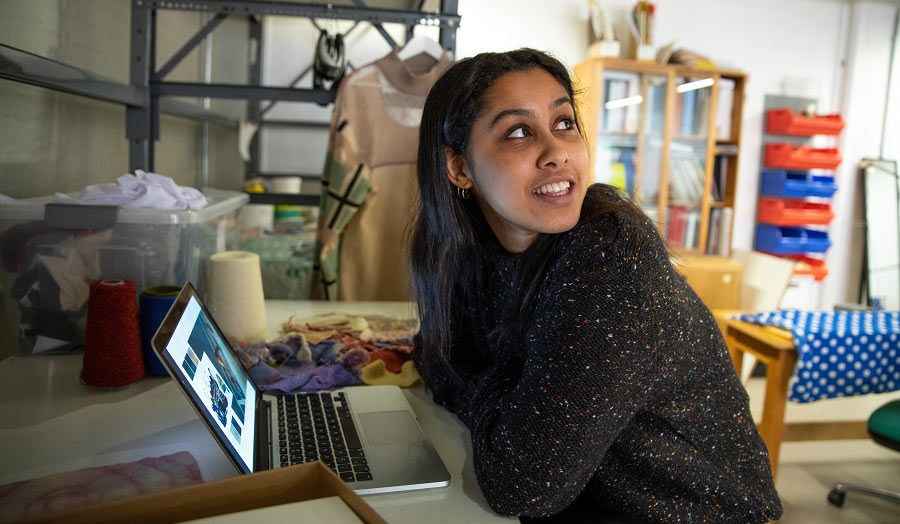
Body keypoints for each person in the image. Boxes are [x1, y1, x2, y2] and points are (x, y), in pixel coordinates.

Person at [410, 49, 782, 524]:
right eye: (519, 131)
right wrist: (507, 407)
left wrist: (487, 393)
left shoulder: (610, 252)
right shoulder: (477, 247)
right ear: (458, 167)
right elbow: (434, 353)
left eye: (564, 123)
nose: (557, 151)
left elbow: (525, 485)